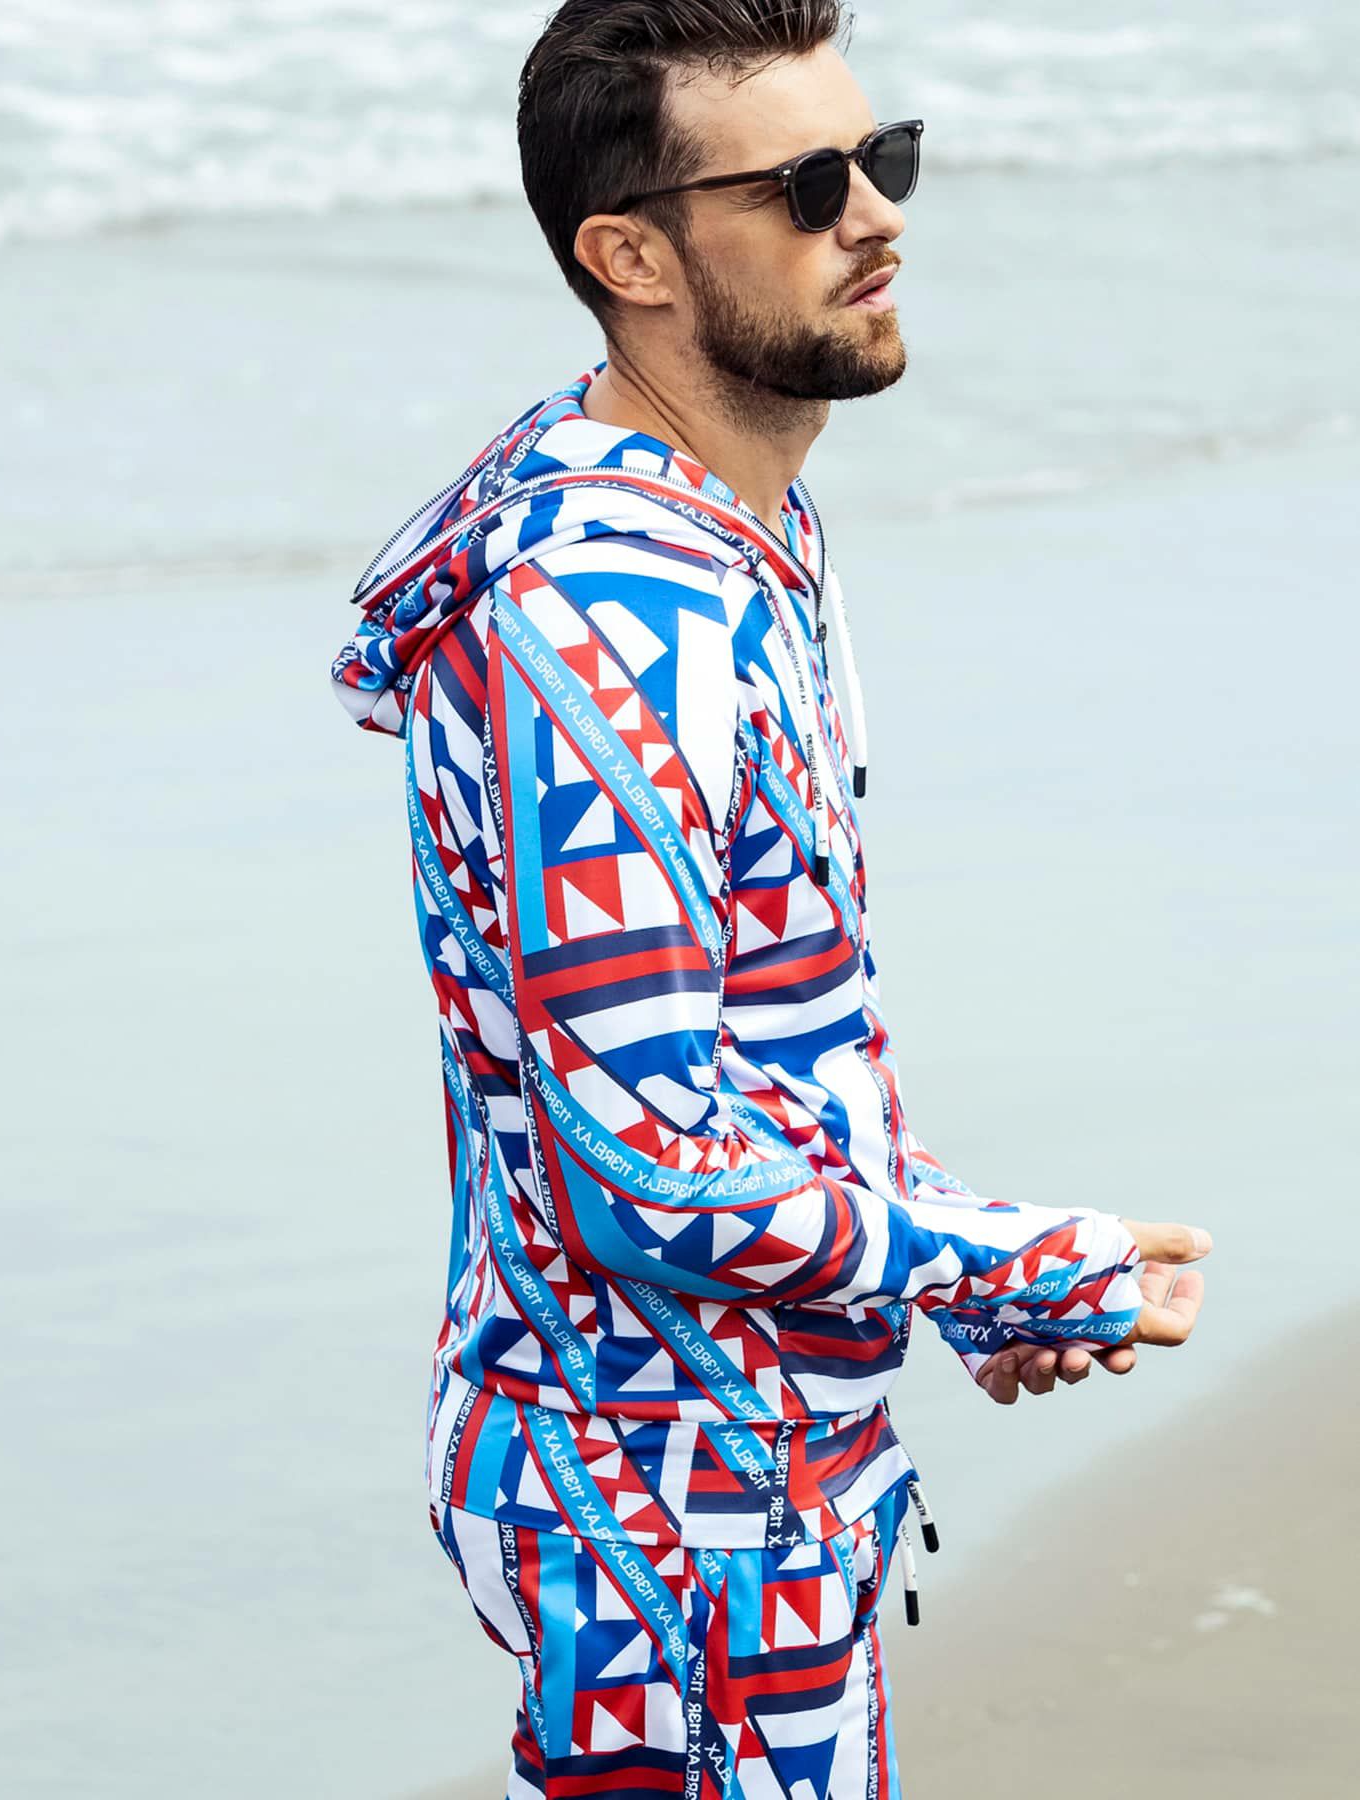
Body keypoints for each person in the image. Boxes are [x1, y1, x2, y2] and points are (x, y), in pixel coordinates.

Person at [329, 3, 1213, 1793]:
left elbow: (755, 1057)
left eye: (882, 161)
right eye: (807, 187)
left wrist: (957, 1276)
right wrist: (1025, 1260)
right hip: (664, 1499)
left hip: (730, 1451)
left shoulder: (733, 522)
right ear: (631, 258)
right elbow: (649, 1168)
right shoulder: (618, 617)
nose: (876, 217)